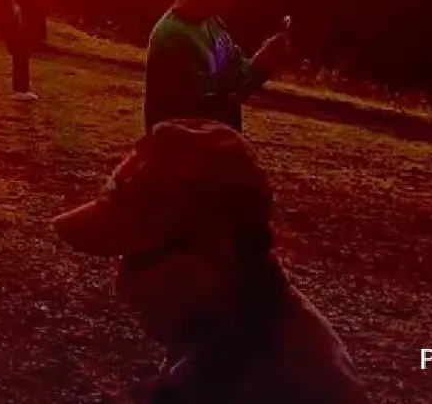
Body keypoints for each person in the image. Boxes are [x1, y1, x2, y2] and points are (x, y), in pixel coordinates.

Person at [53, 119, 371, 404]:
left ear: (215, 250)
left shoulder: (280, 384)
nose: (121, 281)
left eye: (140, 259)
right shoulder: (224, 326)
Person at [144, 0, 293, 134]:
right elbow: (205, 111)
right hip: (180, 152)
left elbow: (238, 77)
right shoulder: (172, 37)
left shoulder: (213, 24)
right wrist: (261, 67)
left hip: (210, 148)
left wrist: (265, 61)